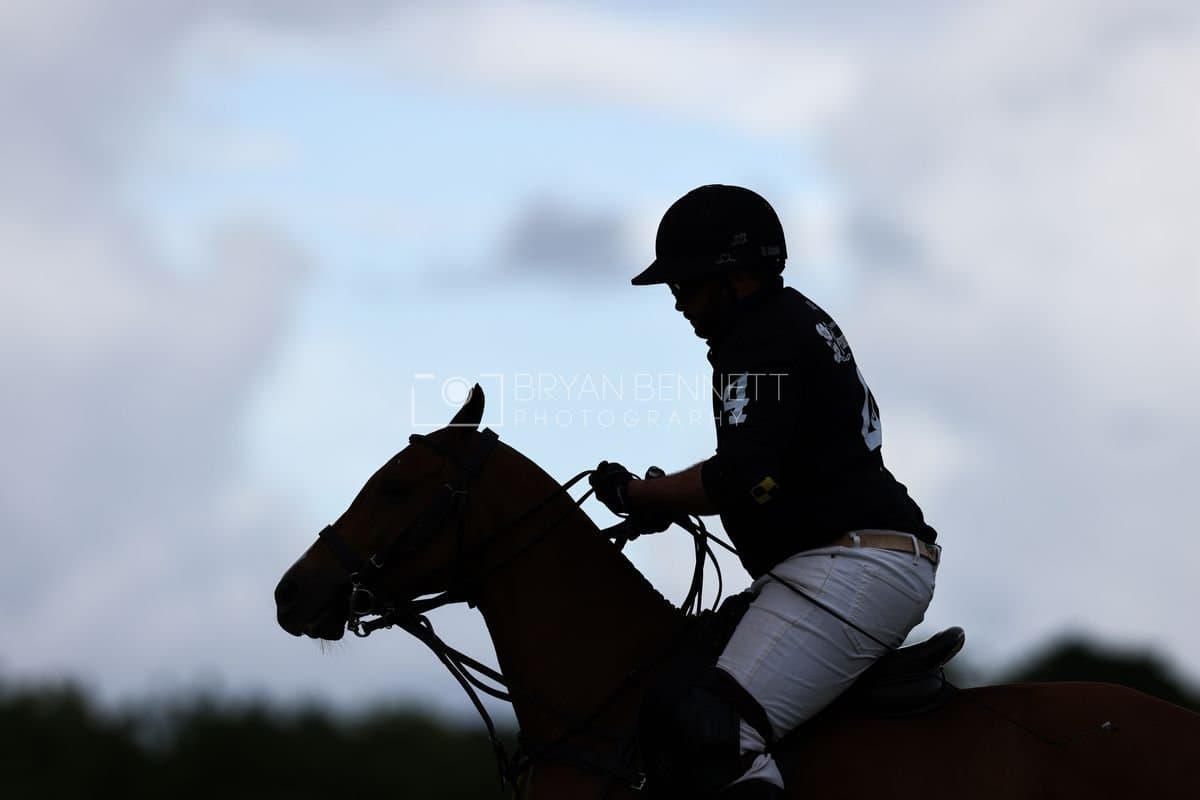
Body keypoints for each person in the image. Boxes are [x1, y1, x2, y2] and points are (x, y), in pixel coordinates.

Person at [589, 184, 939, 799]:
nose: (678, 305)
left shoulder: (761, 338)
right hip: (832, 563)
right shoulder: (781, 321)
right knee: (670, 689)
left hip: (852, 564)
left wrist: (645, 498)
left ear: (735, 278)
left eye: (684, 286)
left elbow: (741, 475)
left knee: (714, 733)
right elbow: (765, 472)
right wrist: (662, 500)